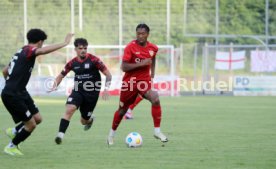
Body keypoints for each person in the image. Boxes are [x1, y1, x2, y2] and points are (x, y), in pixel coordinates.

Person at [1, 28, 73, 155]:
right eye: (43, 42)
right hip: (13, 95)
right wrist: (64, 43)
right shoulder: (29, 50)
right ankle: (11, 146)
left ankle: (14, 131)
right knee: (31, 125)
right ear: (40, 42)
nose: (43, 45)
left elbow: (5, 71)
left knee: (38, 118)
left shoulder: (21, 50)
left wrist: (12, 82)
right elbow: (43, 51)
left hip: (20, 92)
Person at [107, 23, 168, 145]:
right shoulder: (130, 47)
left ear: (147, 34)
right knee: (122, 110)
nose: (140, 36)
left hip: (144, 82)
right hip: (129, 83)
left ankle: (157, 131)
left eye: (143, 34)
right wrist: (141, 64)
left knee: (155, 99)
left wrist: (152, 74)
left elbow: (153, 58)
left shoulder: (153, 48)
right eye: (138, 34)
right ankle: (111, 135)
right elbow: (124, 67)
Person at [49, 38, 112, 145]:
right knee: (70, 109)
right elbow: (61, 75)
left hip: (92, 94)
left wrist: (106, 88)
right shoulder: (72, 63)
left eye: (85, 48)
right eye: (80, 48)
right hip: (78, 91)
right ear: (75, 49)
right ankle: (60, 135)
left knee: (84, 121)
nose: (83, 50)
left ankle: (90, 120)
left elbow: (108, 74)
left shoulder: (94, 60)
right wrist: (54, 86)